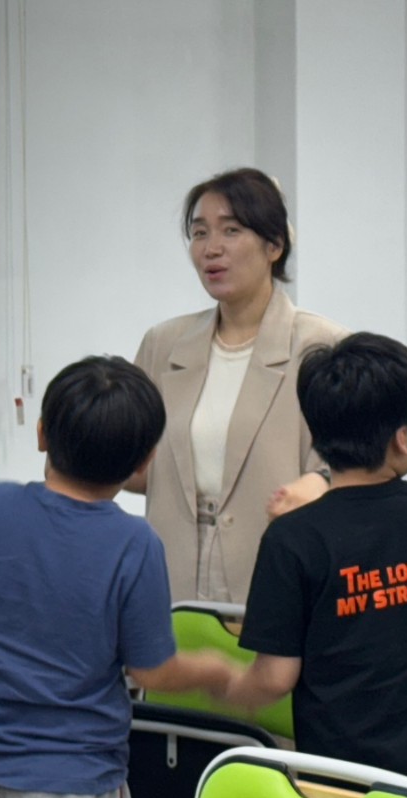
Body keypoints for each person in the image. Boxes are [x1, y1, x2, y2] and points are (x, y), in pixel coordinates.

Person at [0, 356, 238, 798]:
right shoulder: (135, 543)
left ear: (42, 433)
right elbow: (152, 671)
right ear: (144, 461)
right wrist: (214, 670)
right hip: (70, 791)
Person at [221, 332, 407, 798]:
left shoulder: (292, 538)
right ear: (403, 437)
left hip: (339, 785)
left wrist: (221, 682)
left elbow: (274, 678)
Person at [129, 168, 347, 604]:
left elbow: (352, 467)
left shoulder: (321, 345)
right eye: (199, 233)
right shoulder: (163, 344)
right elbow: (131, 463)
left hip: (275, 565)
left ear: (274, 245)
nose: (211, 248)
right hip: (173, 570)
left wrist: (318, 482)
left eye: (231, 230)